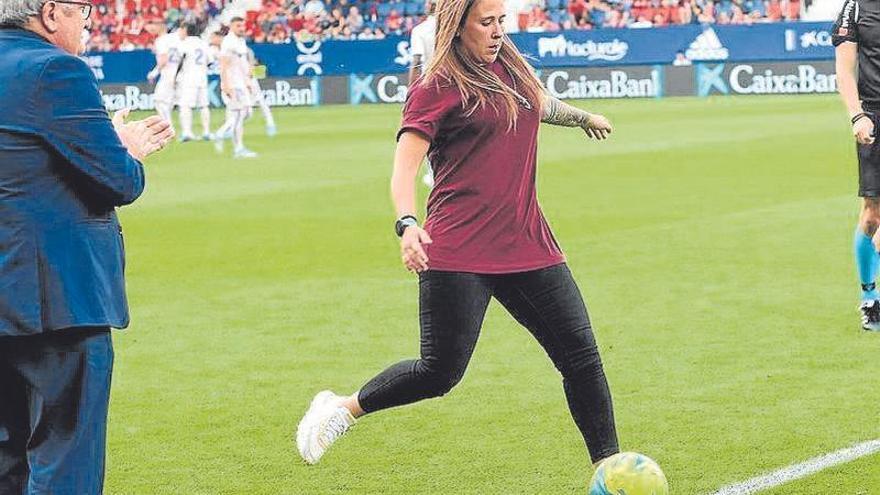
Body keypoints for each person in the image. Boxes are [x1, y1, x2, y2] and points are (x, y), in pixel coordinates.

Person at [296, 0, 619, 469]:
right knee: (440, 372)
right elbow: (403, 169)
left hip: (528, 243)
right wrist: (407, 224)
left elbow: (538, 102)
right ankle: (342, 408)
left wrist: (582, 118)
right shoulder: (437, 85)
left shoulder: (511, 63)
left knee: (582, 357)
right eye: (486, 23)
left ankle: (610, 469)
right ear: (456, 25)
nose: (497, 32)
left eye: (501, 21)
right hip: (458, 249)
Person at [0, 0, 173, 492]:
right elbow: (118, 181)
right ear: (51, 13)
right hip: (54, 301)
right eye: (83, 12)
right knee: (65, 458)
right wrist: (127, 146)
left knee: (7, 459)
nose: (87, 25)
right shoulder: (56, 69)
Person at [834, 0, 880, 331]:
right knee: (872, 216)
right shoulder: (855, 8)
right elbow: (844, 70)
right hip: (873, 118)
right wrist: (857, 115)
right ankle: (870, 298)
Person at [214, 16, 257, 158]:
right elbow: (224, 64)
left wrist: (247, 82)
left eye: (242, 25)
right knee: (239, 114)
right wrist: (226, 85)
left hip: (241, 83)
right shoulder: (228, 42)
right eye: (238, 26)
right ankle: (238, 148)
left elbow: (241, 64)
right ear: (231, 26)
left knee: (246, 113)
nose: (242, 28)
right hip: (233, 84)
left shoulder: (240, 41)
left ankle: (222, 132)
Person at [409, 0, 438, 188]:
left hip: (431, 86)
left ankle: (434, 172)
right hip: (457, 82)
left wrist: (412, 93)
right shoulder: (455, 26)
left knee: (430, 132)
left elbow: (417, 62)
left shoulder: (420, 31)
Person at [177, 22, 213, 142]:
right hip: (202, 77)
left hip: (188, 78)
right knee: (204, 106)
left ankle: (187, 132)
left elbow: (179, 61)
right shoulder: (203, 43)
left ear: (186, 30)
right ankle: (206, 132)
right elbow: (210, 61)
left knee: (185, 105)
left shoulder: (184, 43)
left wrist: (175, 76)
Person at [148, 21, 186, 134]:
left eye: (153, 25)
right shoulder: (175, 38)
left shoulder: (161, 40)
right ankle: (179, 130)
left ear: (160, 26)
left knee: (159, 101)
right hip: (180, 73)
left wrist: (154, 73)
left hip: (168, 74)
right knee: (172, 103)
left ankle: (168, 129)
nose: (151, 27)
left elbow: (163, 59)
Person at [247, 48, 278, 137]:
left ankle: (270, 124)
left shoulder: (246, 50)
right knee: (247, 109)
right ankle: (231, 127)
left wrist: (249, 76)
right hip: (241, 80)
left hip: (249, 81)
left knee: (261, 102)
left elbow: (252, 64)